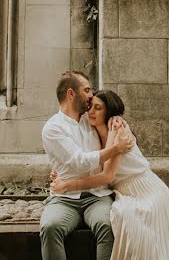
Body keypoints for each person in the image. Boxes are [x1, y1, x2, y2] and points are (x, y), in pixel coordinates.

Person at [51, 90, 169, 260]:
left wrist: (67, 185)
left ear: (109, 112)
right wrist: (61, 172)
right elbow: (78, 155)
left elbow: (107, 176)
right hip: (122, 191)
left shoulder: (117, 129)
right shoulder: (90, 131)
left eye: (98, 108)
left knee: (127, 219)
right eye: (91, 106)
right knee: (122, 217)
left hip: (144, 189)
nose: (91, 111)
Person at [40, 71, 135, 260]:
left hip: (97, 196)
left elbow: (108, 115)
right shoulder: (53, 128)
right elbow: (79, 161)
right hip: (64, 197)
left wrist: (116, 118)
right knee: (50, 227)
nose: (91, 95)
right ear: (70, 94)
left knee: (108, 226)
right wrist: (116, 148)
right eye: (86, 90)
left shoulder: (89, 118)